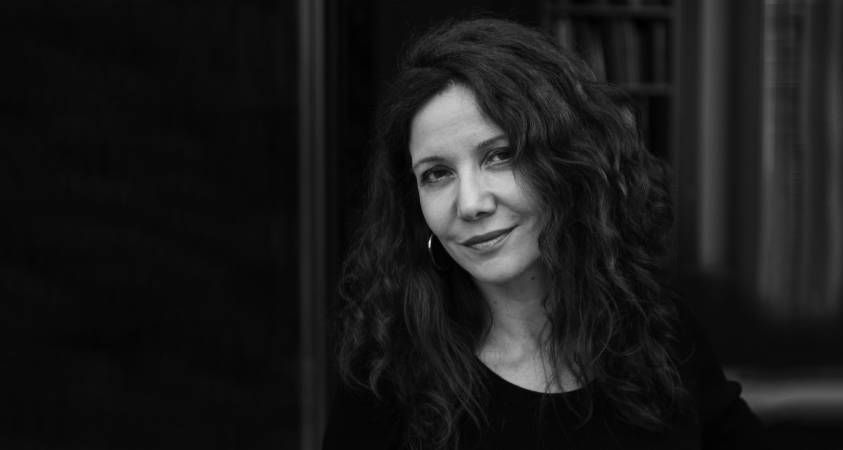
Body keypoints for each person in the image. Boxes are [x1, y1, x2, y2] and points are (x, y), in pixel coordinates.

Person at [325, 18, 766, 450]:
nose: (471, 203)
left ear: (568, 164)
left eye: (500, 155)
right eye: (436, 174)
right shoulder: (386, 376)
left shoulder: (658, 332)